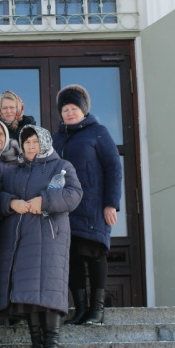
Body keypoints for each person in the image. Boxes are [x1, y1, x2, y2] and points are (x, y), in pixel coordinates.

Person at [0, 125, 82, 348]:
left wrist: (43, 201)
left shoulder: (61, 166)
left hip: (50, 237)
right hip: (21, 239)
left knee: (49, 290)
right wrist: (11, 203)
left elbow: (74, 194)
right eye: (26, 143)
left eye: (35, 141)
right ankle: (36, 346)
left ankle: (51, 347)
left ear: (43, 142)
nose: (31, 146)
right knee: (29, 292)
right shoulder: (14, 171)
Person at [52, 85, 123, 326]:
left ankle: (97, 309)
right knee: (71, 258)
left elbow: (113, 167)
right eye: (65, 109)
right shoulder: (57, 138)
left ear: (83, 110)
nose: (70, 113)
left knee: (94, 253)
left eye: (74, 108)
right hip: (66, 209)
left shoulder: (98, 132)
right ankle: (80, 308)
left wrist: (111, 204)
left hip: (93, 206)